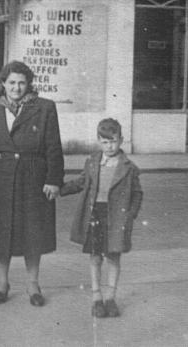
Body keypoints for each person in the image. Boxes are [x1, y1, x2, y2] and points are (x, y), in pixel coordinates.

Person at [0, 61, 64, 306]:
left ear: (29, 84)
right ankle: (1, 283)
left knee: (33, 232)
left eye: (22, 83)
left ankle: (33, 285)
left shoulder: (44, 108)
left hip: (32, 178)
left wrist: (53, 180)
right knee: (2, 232)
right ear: (3, 84)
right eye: (11, 82)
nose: (16, 88)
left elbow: (54, 146)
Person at [60, 118, 143, 318]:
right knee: (95, 257)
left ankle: (110, 297)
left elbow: (137, 194)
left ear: (121, 140)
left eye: (113, 141)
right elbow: (82, 182)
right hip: (94, 214)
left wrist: (130, 216)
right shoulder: (93, 161)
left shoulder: (129, 167)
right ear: (99, 141)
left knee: (113, 256)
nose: (109, 146)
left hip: (116, 218)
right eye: (105, 142)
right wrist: (60, 189)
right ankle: (97, 298)